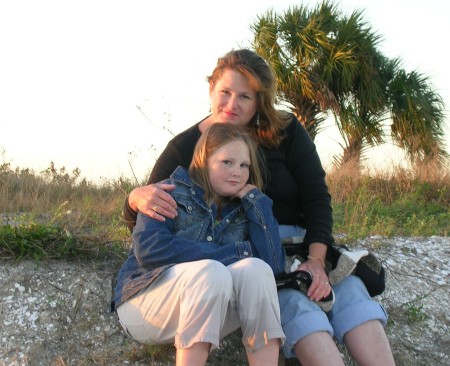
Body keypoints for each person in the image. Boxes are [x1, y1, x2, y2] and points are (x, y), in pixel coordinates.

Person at [123, 49, 396, 365]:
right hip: (254, 248)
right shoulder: (187, 146)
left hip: (309, 244)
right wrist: (133, 199)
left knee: (351, 294)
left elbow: (317, 198)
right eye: (225, 92)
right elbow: (150, 211)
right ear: (211, 89)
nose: (232, 104)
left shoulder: (287, 130)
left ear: (259, 101)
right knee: (297, 304)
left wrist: (317, 260)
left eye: (245, 97)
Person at [114, 123, 286, 366]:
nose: (237, 172)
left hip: (209, 308)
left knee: (257, 271)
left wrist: (256, 201)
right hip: (145, 306)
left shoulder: (243, 208)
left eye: (244, 165)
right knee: (211, 271)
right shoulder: (168, 191)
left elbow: (273, 265)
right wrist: (232, 253)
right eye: (227, 162)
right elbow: (150, 250)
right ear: (204, 161)